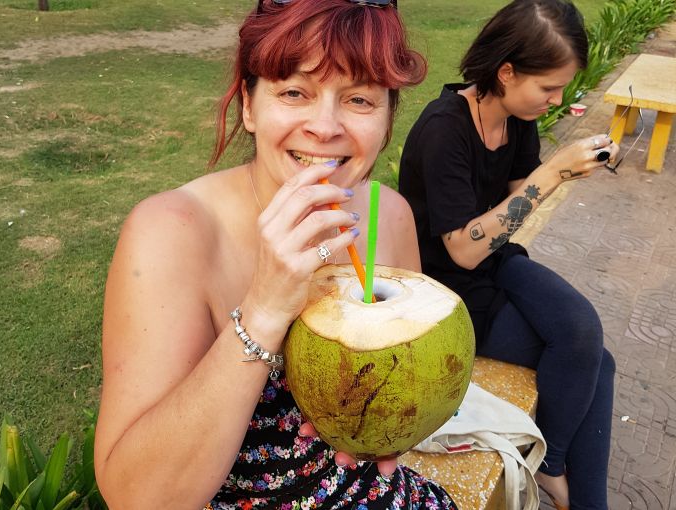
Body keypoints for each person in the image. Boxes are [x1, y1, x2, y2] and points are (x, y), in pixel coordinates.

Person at [94, 0, 459, 508]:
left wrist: (384, 420)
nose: (324, 127)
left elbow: (409, 382)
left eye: (359, 99)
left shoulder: (387, 215)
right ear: (249, 105)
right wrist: (264, 309)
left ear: (387, 118)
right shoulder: (171, 232)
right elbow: (136, 497)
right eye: (293, 92)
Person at [398, 1, 618, 509]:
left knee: (585, 342)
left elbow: (518, 198)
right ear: (507, 71)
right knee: (589, 353)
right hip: (449, 290)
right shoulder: (443, 130)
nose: (556, 99)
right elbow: (462, 250)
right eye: (548, 87)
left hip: (499, 261)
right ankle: (555, 469)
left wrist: (566, 171)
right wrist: (552, 173)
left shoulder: (518, 116)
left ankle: (565, 478)